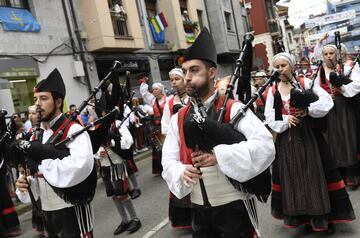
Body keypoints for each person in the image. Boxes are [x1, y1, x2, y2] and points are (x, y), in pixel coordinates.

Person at [161, 28, 275, 238]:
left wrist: (218, 157)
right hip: (198, 211)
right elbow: (168, 160)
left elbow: (265, 146)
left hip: (233, 207)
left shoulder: (234, 108)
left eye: (194, 70)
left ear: (212, 72)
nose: (187, 77)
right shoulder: (179, 117)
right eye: (185, 71)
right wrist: (180, 171)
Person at [265, 52, 355, 235]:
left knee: (313, 174)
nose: (280, 69)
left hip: (308, 137)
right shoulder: (273, 90)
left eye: (283, 65)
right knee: (294, 177)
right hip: (287, 141)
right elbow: (269, 116)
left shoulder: (305, 83)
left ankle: (321, 218)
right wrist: (284, 118)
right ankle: (303, 216)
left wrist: (309, 109)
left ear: (291, 66)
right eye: (277, 66)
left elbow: (326, 100)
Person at [14, 68, 95, 237]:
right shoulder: (36, 135)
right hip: (46, 210)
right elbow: (35, 174)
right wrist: (25, 183)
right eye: (35, 99)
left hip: (71, 209)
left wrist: (40, 166)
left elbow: (80, 166)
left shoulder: (74, 129)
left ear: (58, 102)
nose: (37, 104)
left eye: (43, 98)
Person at [316, 44, 360, 189]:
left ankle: (352, 174)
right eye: (326, 54)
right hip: (328, 110)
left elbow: (356, 85)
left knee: (348, 137)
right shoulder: (320, 72)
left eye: (331, 53)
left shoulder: (346, 68)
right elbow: (315, 91)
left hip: (344, 107)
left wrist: (342, 88)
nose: (329, 56)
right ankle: (339, 175)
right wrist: (324, 97)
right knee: (332, 140)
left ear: (337, 54)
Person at [95, 121, 141, 236]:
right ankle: (125, 221)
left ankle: (135, 219)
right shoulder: (96, 126)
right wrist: (97, 153)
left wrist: (114, 143)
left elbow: (128, 141)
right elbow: (91, 149)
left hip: (117, 165)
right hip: (105, 168)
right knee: (114, 196)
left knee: (123, 194)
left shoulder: (117, 124)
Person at [161, 68, 191, 229]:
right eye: (171, 80)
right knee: (183, 176)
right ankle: (187, 219)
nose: (173, 83)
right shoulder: (170, 103)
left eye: (176, 79)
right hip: (179, 146)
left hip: (194, 144)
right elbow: (165, 126)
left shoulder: (193, 98)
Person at [139, 74, 170, 175]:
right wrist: (144, 83)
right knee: (159, 148)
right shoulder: (153, 100)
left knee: (169, 146)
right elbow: (144, 94)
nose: (153, 91)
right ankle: (162, 168)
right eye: (153, 89)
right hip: (156, 127)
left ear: (161, 90)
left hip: (168, 126)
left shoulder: (169, 99)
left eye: (156, 89)